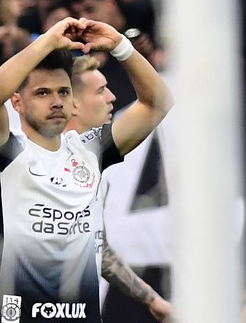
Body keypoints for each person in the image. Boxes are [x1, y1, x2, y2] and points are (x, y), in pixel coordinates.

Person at [0, 15, 171, 323]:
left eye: (63, 92)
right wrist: (47, 41)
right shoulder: (6, 153)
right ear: (17, 102)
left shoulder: (91, 151)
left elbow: (158, 103)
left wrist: (120, 45)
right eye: (43, 93)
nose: (56, 102)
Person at [66, 56, 172, 322]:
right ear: (73, 104)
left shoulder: (92, 157)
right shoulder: (30, 157)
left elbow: (97, 247)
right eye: (101, 90)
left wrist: (152, 299)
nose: (112, 97)